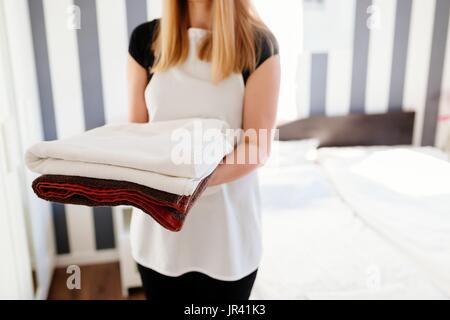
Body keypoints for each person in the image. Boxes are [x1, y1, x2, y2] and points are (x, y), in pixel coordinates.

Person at [127, 0, 280, 300]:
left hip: (226, 235)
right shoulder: (145, 40)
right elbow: (137, 135)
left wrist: (190, 182)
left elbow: (256, 146)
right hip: (158, 233)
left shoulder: (258, 44)